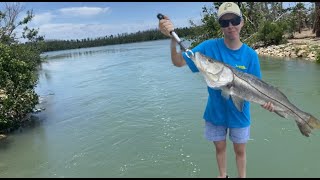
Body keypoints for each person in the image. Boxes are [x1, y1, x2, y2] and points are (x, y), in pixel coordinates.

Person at [158, 2, 274, 178]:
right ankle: (223, 176)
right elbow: (178, 62)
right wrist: (172, 39)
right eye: (224, 22)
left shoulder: (251, 55)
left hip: (240, 114)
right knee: (219, 149)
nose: (230, 26)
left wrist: (269, 104)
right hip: (215, 113)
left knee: (240, 151)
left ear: (242, 22)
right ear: (220, 26)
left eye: (234, 20)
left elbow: (259, 88)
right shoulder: (208, 47)